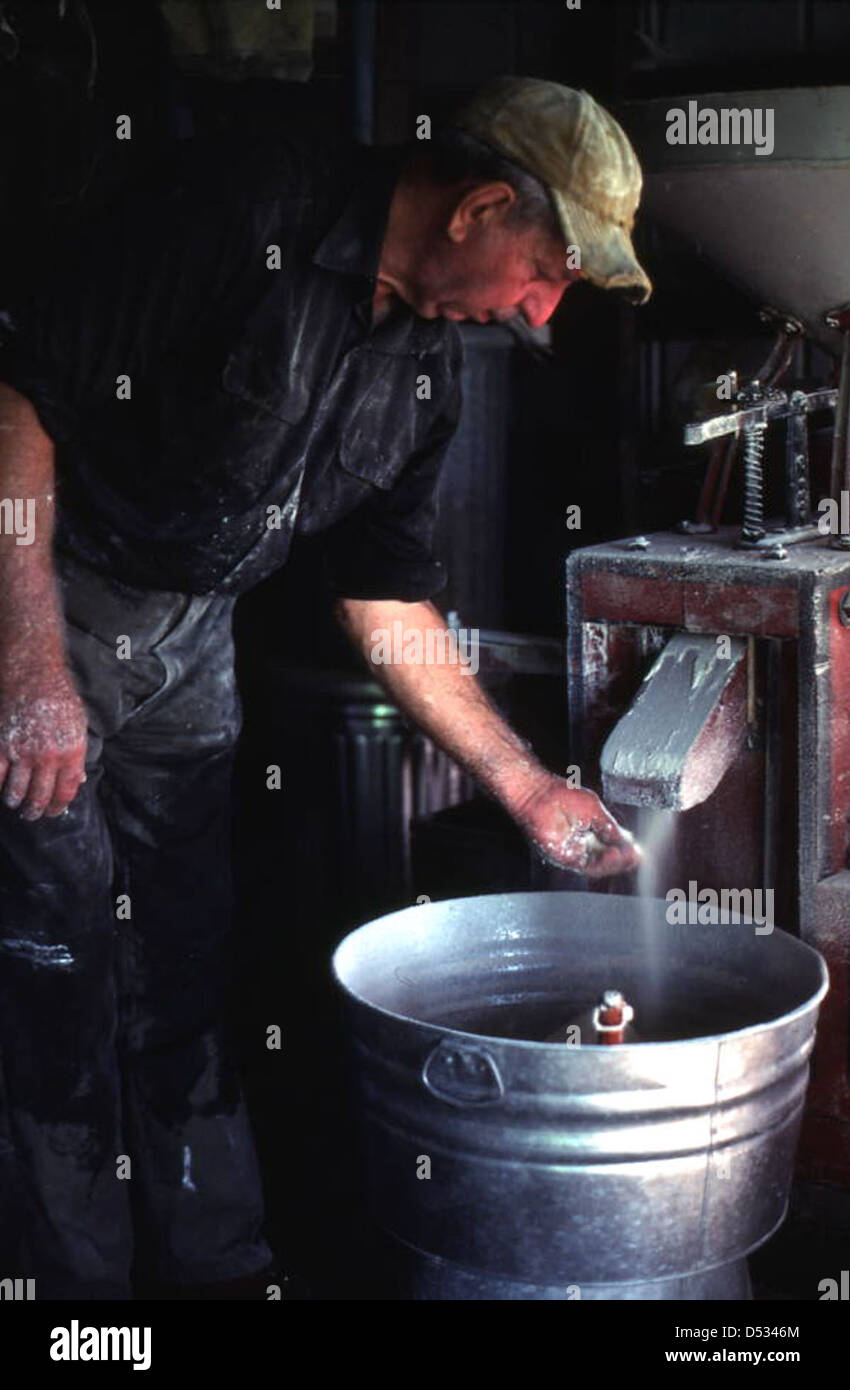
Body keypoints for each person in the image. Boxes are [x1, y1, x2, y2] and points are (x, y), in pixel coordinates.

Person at [0, 77, 649, 1298]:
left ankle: (218, 1268)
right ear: (480, 206)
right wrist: (29, 666)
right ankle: (72, 1302)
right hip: (43, 591)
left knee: (183, 963)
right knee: (55, 970)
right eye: (550, 266)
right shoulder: (246, 208)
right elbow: (18, 394)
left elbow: (383, 600)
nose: (541, 307)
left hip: (191, 643)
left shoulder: (424, 372)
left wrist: (522, 784)